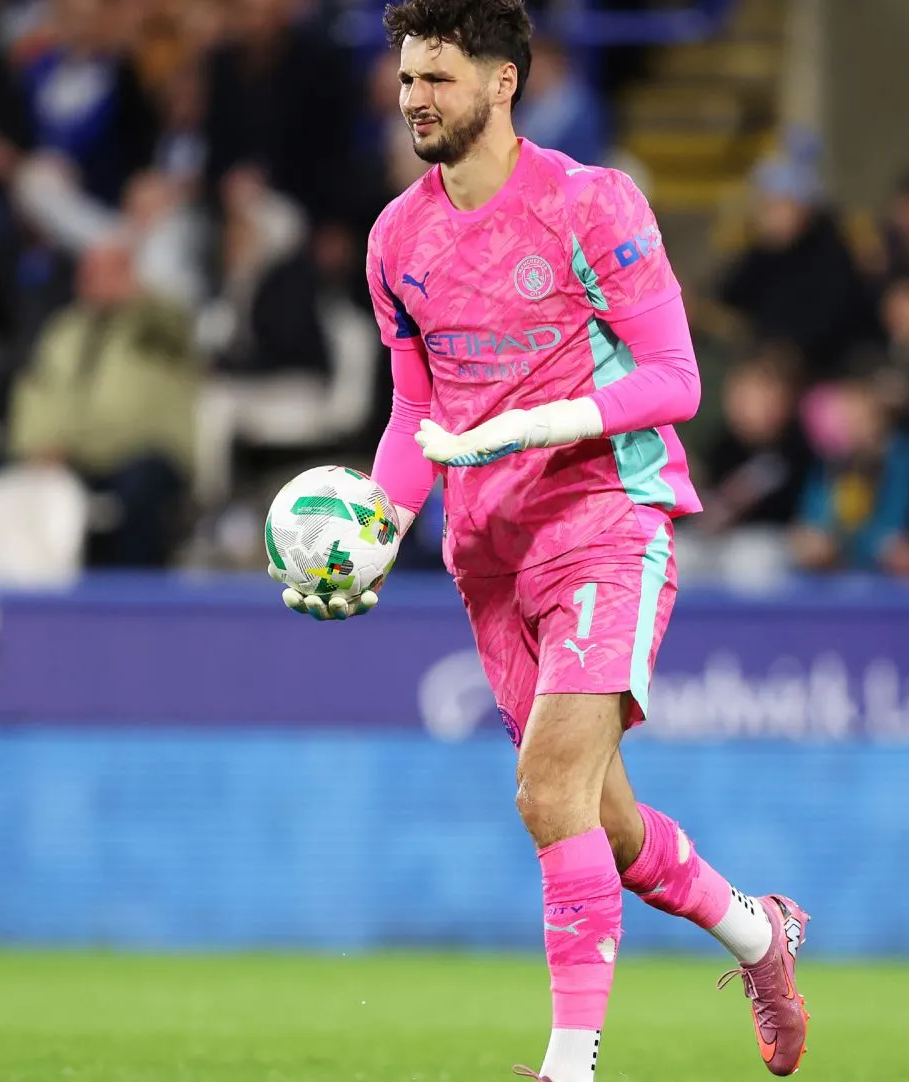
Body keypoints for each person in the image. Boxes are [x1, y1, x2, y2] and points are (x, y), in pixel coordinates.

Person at [279, 2, 809, 1079]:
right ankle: (760, 933)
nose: (414, 98)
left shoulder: (590, 202)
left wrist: (539, 422)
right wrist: (375, 531)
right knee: (601, 821)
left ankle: (570, 1067)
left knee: (544, 791)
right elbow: (412, 417)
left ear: (504, 82)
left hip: (605, 518)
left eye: (437, 78)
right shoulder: (396, 240)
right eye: (406, 76)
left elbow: (678, 379)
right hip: (488, 552)